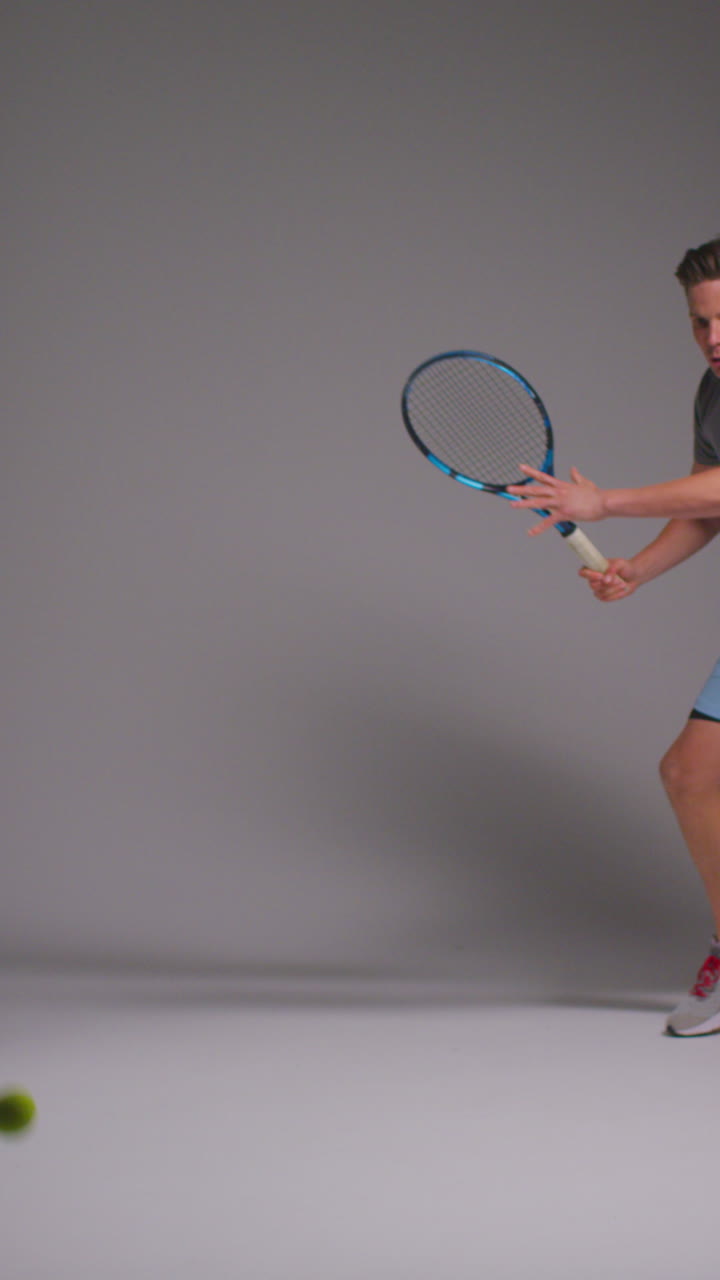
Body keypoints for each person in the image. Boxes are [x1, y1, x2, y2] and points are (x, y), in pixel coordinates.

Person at [507, 235, 720, 1037]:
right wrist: (638, 568)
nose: (714, 339)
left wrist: (606, 505)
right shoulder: (713, 393)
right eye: (701, 323)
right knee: (691, 774)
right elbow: (710, 503)